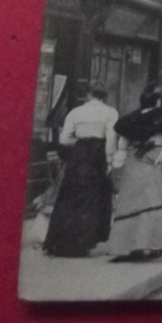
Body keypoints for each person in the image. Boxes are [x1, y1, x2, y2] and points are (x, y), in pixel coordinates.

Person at [43, 82, 117, 258]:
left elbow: (64, 138)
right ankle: (85, 241)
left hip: (79, 155)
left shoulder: (75, 112)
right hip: (98, 154)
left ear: (89, 94)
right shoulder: (110, 112)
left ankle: (62, 241)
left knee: (71, 195)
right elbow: (111, 139)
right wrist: (109, 161)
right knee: (93, 197)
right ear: (104, 96)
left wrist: (79, 144)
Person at [107, 85, 162, 261]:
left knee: (129, 202)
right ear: (157, 101)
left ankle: (128, 246)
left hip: (132, 161)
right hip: (153, 159)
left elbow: (122, 145)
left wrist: (116, 163)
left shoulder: (130, 120)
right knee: (153, 200)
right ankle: (154, 243)